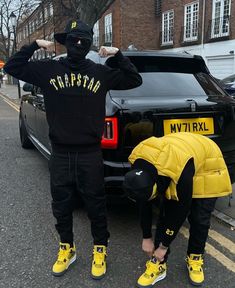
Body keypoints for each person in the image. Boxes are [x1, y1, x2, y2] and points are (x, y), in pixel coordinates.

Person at [4, 19, 142, 279]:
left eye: (82, 41)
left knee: (96, 204)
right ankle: (67, 247)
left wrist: (118, 54)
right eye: (73, 40)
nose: (77, 45)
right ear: (65, 42)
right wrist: (34, 45)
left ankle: (100, 249)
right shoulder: (48, 69)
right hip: (61, 152)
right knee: (61, 204)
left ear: (89, 44)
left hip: (90, 153)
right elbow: (12, 66)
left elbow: (134, 79)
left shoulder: (100, 72)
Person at [123, 132, 232, 287]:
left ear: (155, 185)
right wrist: (146, 236)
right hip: (179, 152)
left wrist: (163, 246)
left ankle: (194, 257)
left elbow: (179, 212)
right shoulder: (136, 164)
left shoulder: (181, 174)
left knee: (199, 218)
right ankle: (159, 264)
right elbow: (144, 204)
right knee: (164, 213)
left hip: (207, 160)